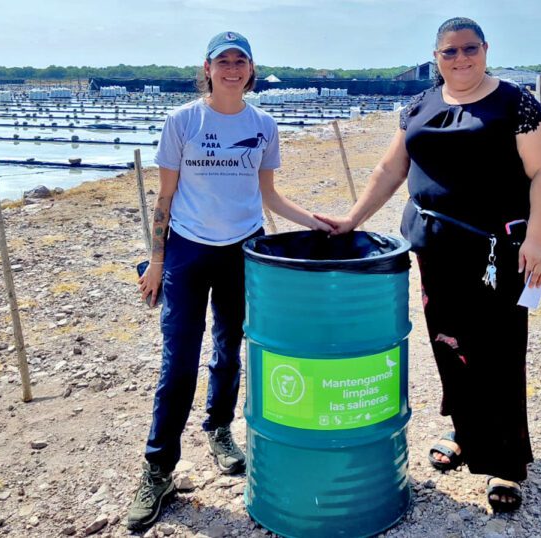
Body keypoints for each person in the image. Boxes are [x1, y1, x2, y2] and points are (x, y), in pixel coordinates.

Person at [316, 17, 541, 512]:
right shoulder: (419, 106)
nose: (460, 59)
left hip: (498, 253)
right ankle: (467, 432)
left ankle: (507, 464)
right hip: (434, 251)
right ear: (436, 57)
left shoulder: (514, 103)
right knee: (451, 347)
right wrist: (351, 218)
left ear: (486, 50)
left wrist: (538, 239)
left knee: (498, 353)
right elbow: (391, 168)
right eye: (449, 52)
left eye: (469, 49)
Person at [127, 31, 331, 531]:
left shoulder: (263, 124)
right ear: (208, 69)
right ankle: (158, 468)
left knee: (229, 349)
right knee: (178, 360)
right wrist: (156, 261)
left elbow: (270, 196)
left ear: (251, 70)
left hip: (244, 249)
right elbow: (164, 199)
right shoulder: (183, 121)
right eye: (224, 61)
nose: (233, 69)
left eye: (241, 61)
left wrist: (317, 221)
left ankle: (219, 429)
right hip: (187, 250)